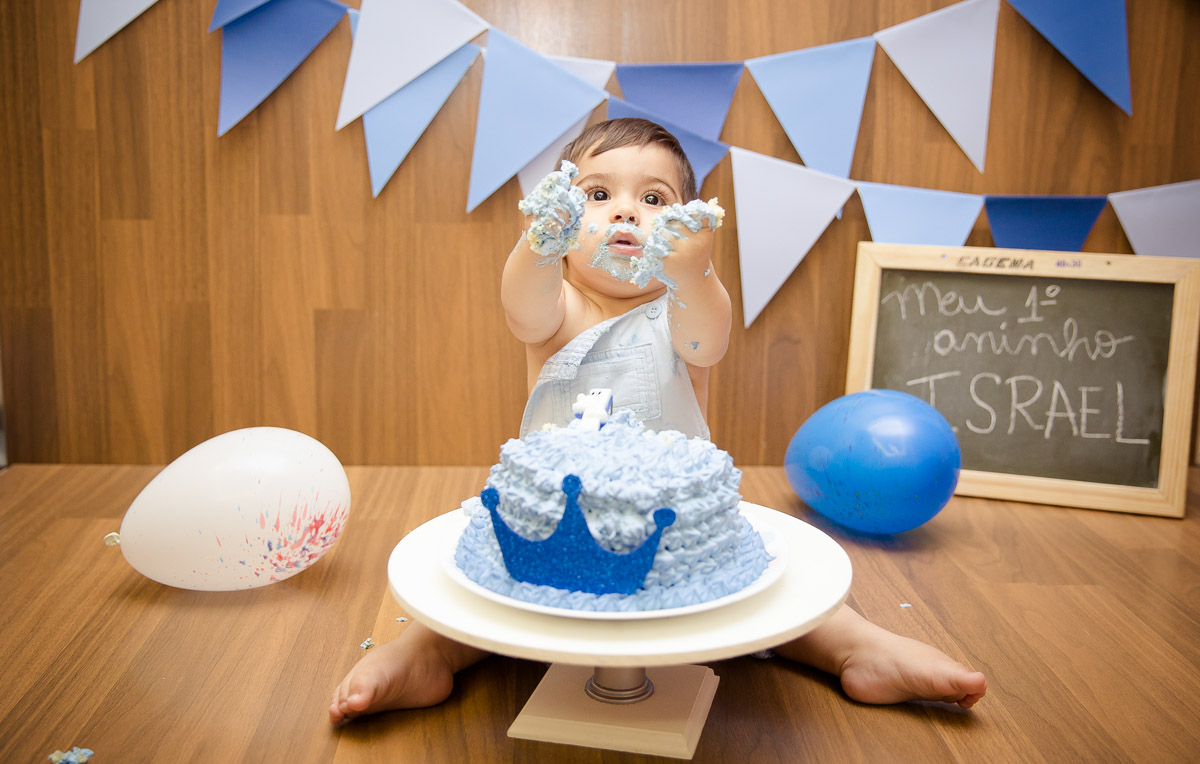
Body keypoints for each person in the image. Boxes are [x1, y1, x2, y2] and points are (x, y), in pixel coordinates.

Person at [329, 118, 986, 724]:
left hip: (674, 530)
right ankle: (429, 656)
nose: (625, 211)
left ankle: (856, 650)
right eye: (595, 194)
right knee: (475, 597)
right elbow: (521, 306)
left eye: (655, 200)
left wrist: (692, 272)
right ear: (561, 218)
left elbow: (708, 338)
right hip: (558, 520)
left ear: (687, 227)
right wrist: (538, 247)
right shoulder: (558, 308)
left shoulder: (680, 308)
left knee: (773, 596)